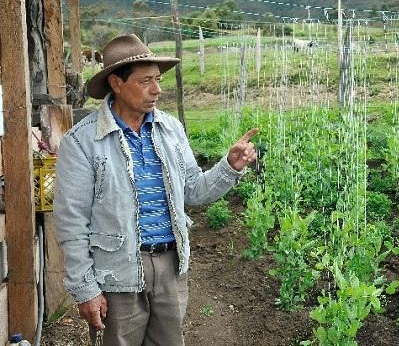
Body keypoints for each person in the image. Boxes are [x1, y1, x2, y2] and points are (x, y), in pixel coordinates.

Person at [54, 34, 258, 346]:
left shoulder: (171, 129)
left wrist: (229, 166)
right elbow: (71, 222)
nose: (157, 90)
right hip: (115, 273)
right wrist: (86, 289)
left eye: (158, 79)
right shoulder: (82, 141)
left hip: (170, 266)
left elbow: (193, 191)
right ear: (116, 84)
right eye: (145, 80)